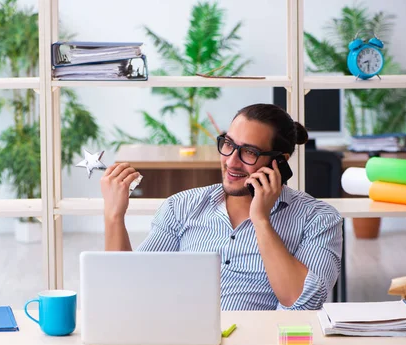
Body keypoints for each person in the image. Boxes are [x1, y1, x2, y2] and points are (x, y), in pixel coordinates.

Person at [101, 103, 343, 311]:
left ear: (280, 162)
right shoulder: (182, 207)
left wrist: (260, 220)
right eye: (228, 144)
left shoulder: (319, 219)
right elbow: (130, 287)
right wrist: (114, 216)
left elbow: (302, 303)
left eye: (249, 151)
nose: (231, 161)